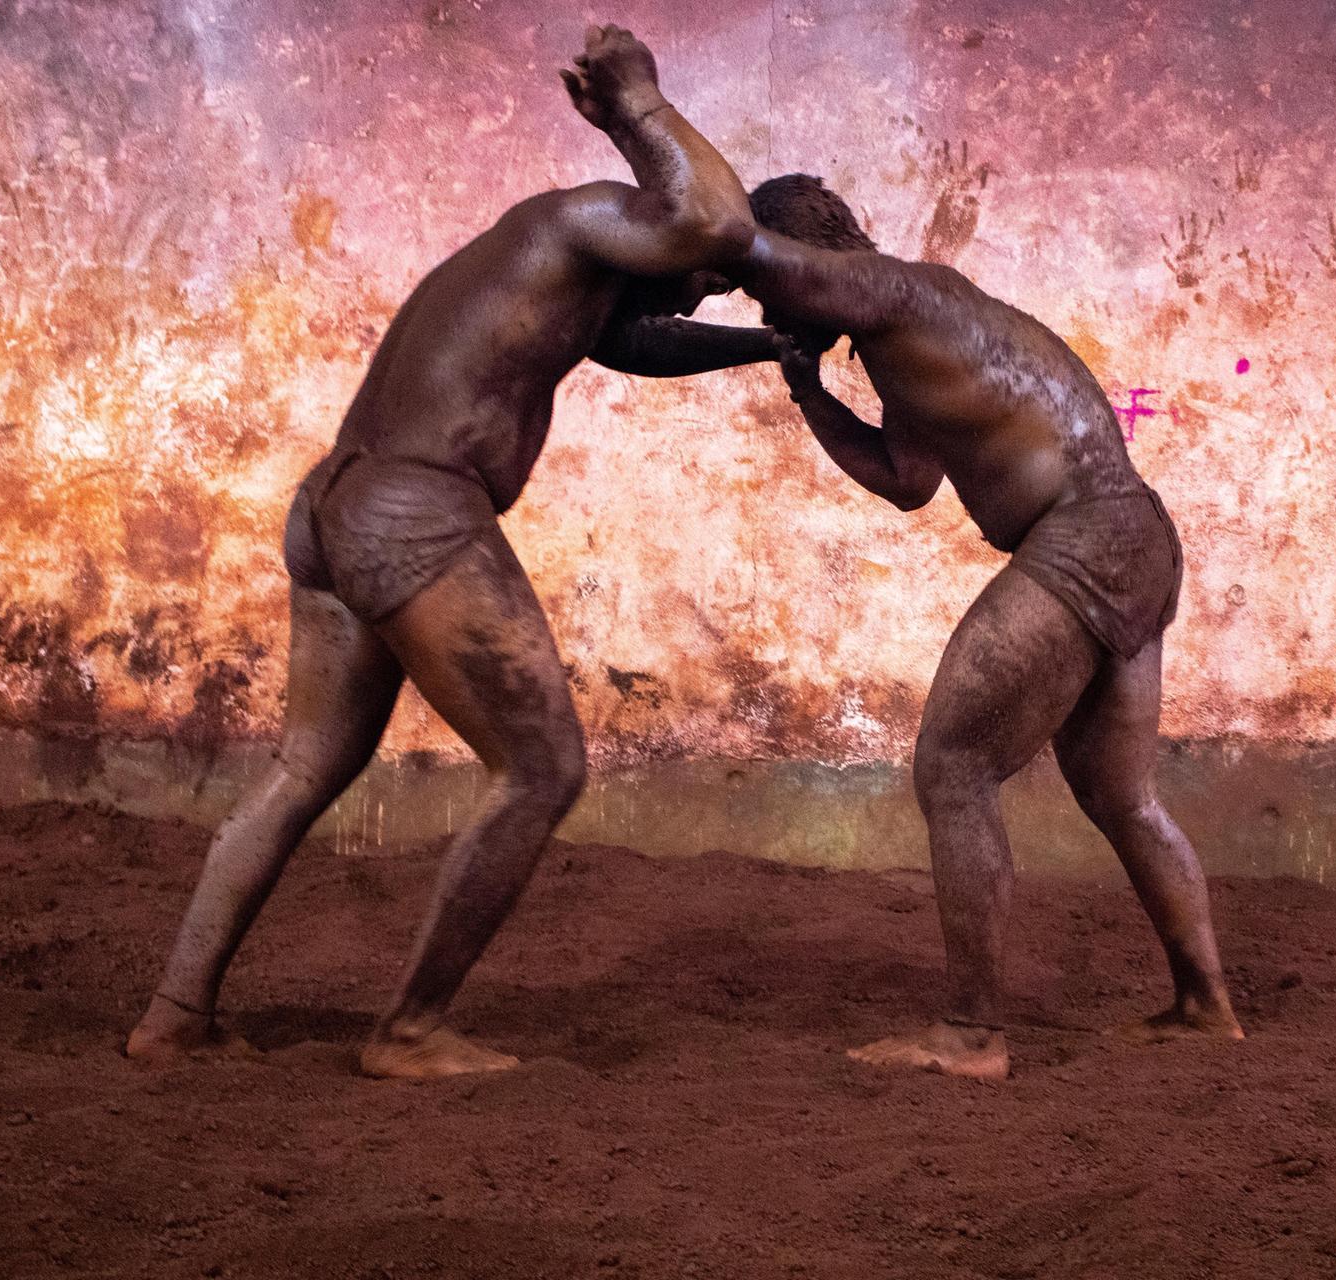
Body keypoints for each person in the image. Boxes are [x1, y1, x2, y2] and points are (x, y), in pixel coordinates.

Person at [127, 26, 773, 1079]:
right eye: (707, 283)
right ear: (664, 227)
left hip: (333, 505)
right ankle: (411, 1029)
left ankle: (172, 1013)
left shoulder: (565, 264)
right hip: (409, 514)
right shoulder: (589, 215)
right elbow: (718, 216)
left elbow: (639, 341)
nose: (698, 298)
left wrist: (761, 347)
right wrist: (638, 104)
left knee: (305, 766)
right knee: (545, 764)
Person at [732, 173, 1242, 1079]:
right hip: (1134, 539)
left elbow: (764, 260)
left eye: (767, 288)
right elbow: (906, 477)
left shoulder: (898, 288)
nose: (763, 304)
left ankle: (970, 1034)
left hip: (1086, 537)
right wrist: (809, 390)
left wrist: (682, 227)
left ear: (805, 260)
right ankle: (1205, 1005)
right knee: (1121, 797)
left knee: (953, 764)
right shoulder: (905, 337)